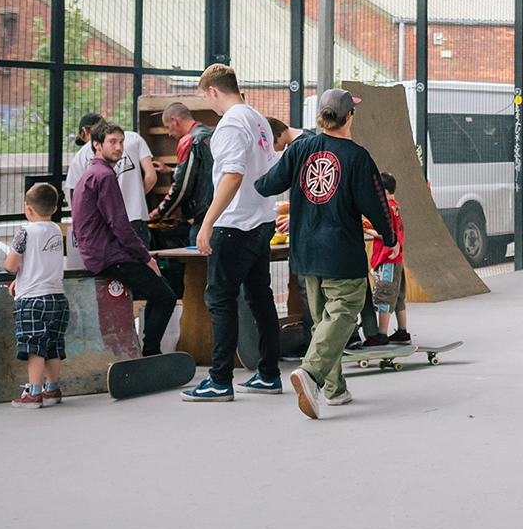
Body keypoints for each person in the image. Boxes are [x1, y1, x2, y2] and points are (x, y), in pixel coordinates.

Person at [259, 88, 393, 420]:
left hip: (305, 252)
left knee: (322, 322)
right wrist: (388, 235)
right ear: (350, 116)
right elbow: (376, 202)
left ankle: (335, 390)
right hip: (340, 252)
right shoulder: (357, 156)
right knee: (345, 309)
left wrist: (252, 182)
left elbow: (268, 184)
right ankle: (312, 374)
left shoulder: (300, 148)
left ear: (322, 116)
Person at [182, 64, 284, 402]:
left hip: (235, 224)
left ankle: (219, 379)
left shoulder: (228, 124)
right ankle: (269, 374)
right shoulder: (258, 120)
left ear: (213, 90)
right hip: (261, 221)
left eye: (206, 97)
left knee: (220, 300)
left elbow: (232, 175)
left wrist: (208, 222)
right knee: (260, 297)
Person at [72, 122, 178, 358]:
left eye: (121, 142)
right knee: (165, 296)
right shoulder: (104, 176)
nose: (119, 148)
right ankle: (151, 352)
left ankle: (149, 350)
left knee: (157, 294)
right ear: (96, 145)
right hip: (109, 256)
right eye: (112, 142)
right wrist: (144, 256)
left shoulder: (92, 174)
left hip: (98, 253)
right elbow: (120, 224)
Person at [5, 182, 68, 408]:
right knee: (53, 344)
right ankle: (52, 389)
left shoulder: (25, 231)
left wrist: (15, 275)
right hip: (57, 299)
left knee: (34, 347)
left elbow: (11, 265)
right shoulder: (56, 230)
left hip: (32, 301)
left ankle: (33, 393)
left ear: (28, 209)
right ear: (55, 208)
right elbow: (40, 264)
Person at [68, 111, 158, 248]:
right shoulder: (134, 138)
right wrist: (135, 196)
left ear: (85, 131)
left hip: (102, 223)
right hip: (135, 218)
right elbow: (151, 177)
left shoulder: (80, 156)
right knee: (140, 265)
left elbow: (77, 199)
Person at [153, 99, 216, 295]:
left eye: (167, 127)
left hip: (201, 215)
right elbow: (203, 172)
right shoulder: (212, 134)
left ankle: (198, 323)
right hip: (220, 211)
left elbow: (183, 186)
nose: (169, 133)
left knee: (197, 278)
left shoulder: (189, 140)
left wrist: (161, 211)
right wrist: (171, 170)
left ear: (175, 120)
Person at [365, 172, 411, 346]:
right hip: (397, 259)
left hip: (387, 259)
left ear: (383, 191)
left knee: (385, 295)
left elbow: (385, 233)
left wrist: (367, 231)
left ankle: (381, 334)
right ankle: (402, 331)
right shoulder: (395, 207)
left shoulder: (386, 209)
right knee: (398, 296)